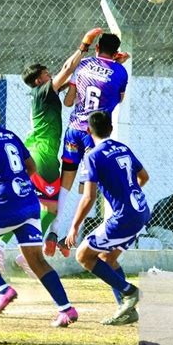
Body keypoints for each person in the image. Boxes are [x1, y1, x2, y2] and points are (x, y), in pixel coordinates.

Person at [0, 27, 103, 276]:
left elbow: (67, 73)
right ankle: (15, 252)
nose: (51, 75)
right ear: (40, 80)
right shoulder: (42, 91)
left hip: (37, 151)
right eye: (46, 74)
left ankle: (9, 249)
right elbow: (68, 69)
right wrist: (84, 45)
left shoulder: (42, 94)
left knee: (34, 207)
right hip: (43, 156)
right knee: (50, 208)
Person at [0, 100, 77, 327]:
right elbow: (31, 167)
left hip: (5, 204)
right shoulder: (10, 135)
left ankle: (1, 289)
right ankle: (66, 309)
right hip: (30, 203)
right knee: (36, 260)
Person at [44, 33, 130, 257]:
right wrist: (115, 68)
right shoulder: (121, 72)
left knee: (66, 181)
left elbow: (69, 101)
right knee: (88, 188)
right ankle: (69, 237)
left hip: (74, 130)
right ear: (116, 51)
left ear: (98, 47)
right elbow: (119, 99)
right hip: (96, 135)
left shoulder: (83, 64)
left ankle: (53, 231)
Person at [65, 111, 150, 326]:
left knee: (83, 256)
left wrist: (74, 227)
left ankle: (130, 292)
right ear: (111, 129)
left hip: (125, 217)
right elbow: (144, 177)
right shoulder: (122, 148)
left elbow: (89, 197)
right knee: (107, 259)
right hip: (141, 211)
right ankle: (126, 310)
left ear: (88, 131)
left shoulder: (93, 156)